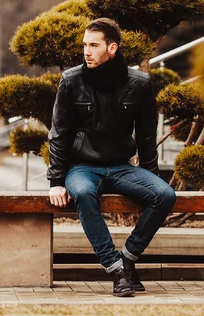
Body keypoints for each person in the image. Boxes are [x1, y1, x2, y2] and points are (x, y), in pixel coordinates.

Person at [47, 17, 177, 297]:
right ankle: (116, 269)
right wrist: (56, 180)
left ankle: (129, 258)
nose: (87, 51)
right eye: (85, 45)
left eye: (94, 45)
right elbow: (59, 134)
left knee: (164, 194)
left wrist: (150, 176)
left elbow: (146, 136)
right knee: (82, 192)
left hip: (120, 167)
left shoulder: (139, 83)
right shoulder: (71, 81)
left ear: (112, 48)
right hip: (82, 167)